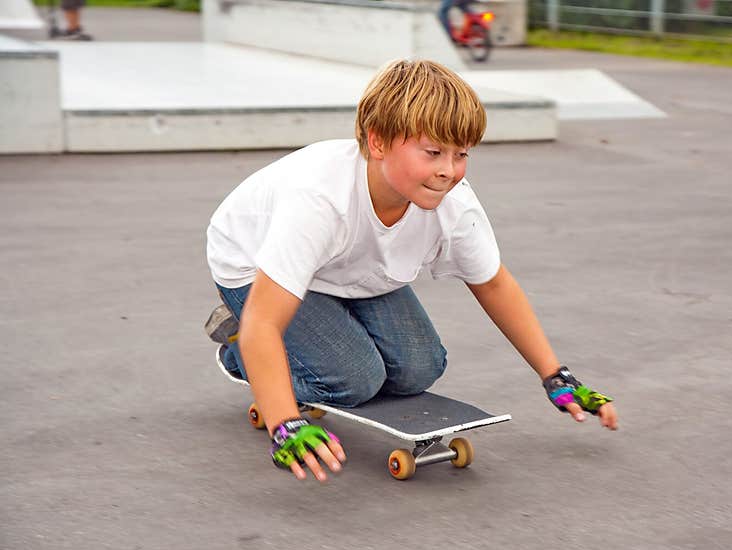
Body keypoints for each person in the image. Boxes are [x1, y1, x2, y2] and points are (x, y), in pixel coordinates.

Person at [205, 59, 619, 483]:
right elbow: (264, 321)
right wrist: (284, 422)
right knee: (354, 380)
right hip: (254, 268)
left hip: (354, 269)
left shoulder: (454, 205)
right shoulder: (319, 201)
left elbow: (494, 284)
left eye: (461, 155)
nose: (448, 171)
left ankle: (315, 333)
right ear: (378, 141)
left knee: (419, 368)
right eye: (434, 153)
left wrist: (555, 376)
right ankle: (239, 351)